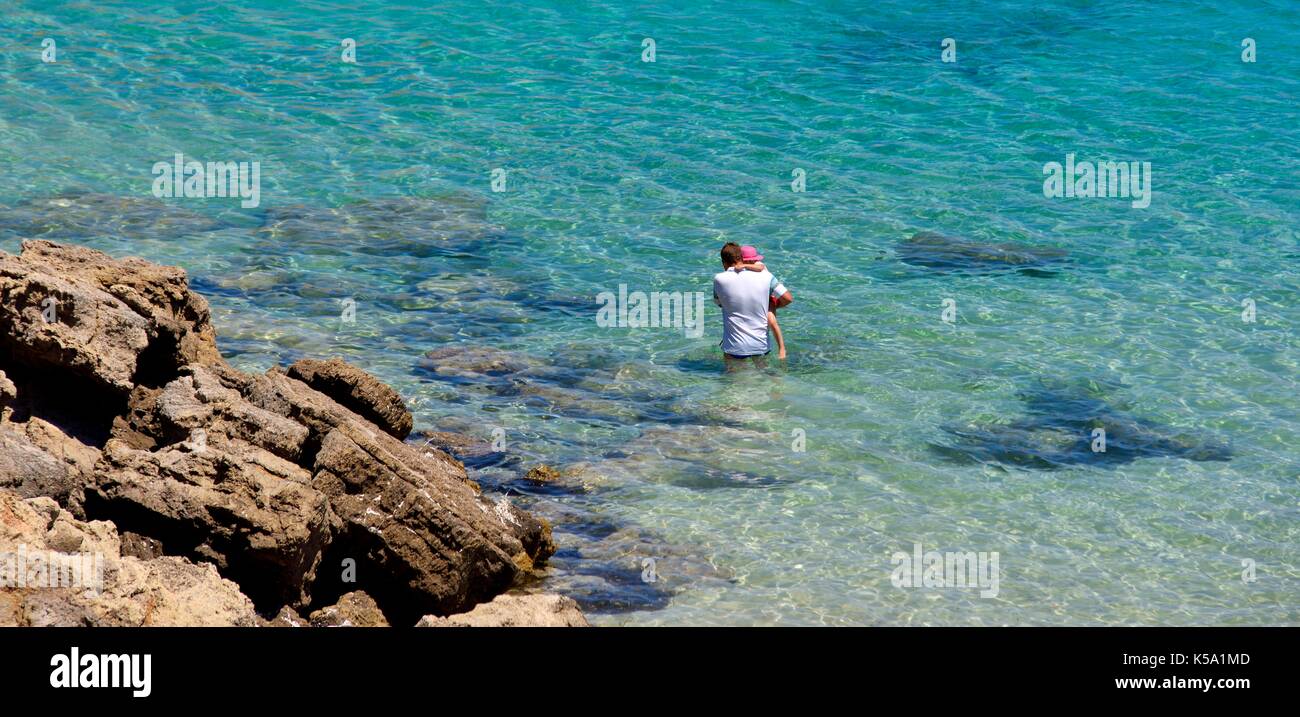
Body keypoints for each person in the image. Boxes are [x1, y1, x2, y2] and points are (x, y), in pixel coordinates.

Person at [712, 242, 792, 367]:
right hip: (760, 345)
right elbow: (788, 298)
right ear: (741, 258)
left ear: (724, 262)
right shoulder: (766, 276)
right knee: (765, 376)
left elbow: (719, 303)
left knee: (732, 380)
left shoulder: (719, 279)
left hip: (734, 346)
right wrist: (771, 305)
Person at [730, 245, 787, 359]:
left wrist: (744, 265)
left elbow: (760, 268)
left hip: (769, 296)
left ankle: (782, 348)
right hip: (757, 297)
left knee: (771, 320)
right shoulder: (745, 268)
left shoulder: (758, 265)